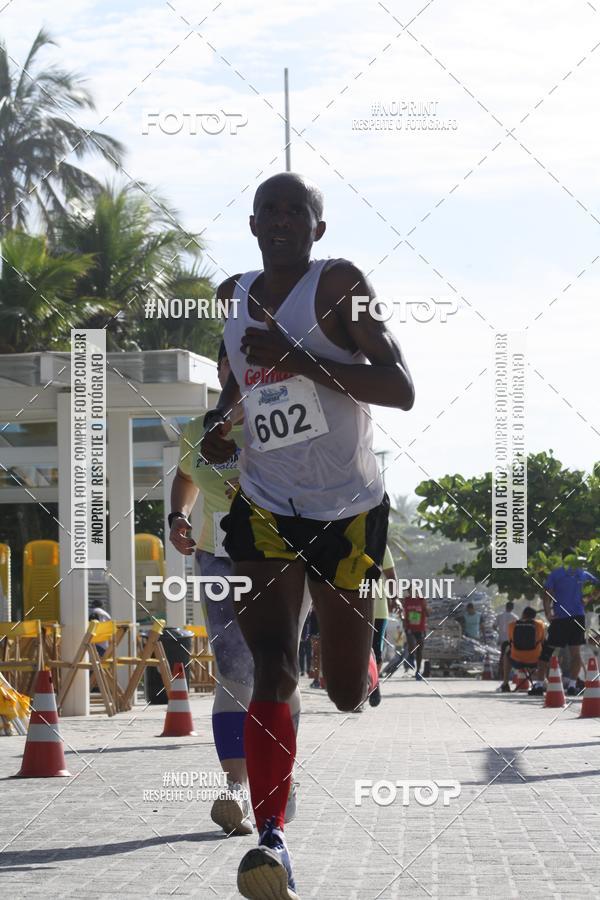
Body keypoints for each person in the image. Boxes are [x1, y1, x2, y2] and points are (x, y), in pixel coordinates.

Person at [200, 172, 414, 900]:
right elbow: (235, 393)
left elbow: (400, 386)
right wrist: (221, 432)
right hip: (264, 502)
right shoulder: (231, 296)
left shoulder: (340, 286)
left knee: (347, 692)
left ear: (317, 229)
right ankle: (272, 840)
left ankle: (362, 655)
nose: (283, 220)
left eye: (299, 211)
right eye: (271, 211)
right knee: (272, 665)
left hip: (348, 507)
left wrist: (299, 360)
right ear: (253, 224)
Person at [170, 341, 309, 836]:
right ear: (222, 371)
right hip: (218, 557)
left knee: (279, 670)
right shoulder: (197, 428)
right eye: (231, 363)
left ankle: (277, 785)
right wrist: (177, 516)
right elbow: (185, 477)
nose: (240, 372)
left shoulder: (286, 414)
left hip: (282, 558)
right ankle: (234, 790)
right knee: (233, 670)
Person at [540, 553, 599, 696]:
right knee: (575, 653)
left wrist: (548, 613)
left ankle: (538, 683)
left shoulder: (556, 573)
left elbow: (546, 594)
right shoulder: (582, 573)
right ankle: (572, 685)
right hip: (577, 617)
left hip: (560, 618)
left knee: (547, 651)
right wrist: (590, 598)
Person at [369, 546, 396, 706]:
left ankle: (374, 685)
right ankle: (360, 688)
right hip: (353, 605)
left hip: (379, 609)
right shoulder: (349, 537)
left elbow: (391, 575)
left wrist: (394, 598)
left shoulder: (381, 546)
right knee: (358, 649)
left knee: (376, 650)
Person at [498, 606, 547, 692]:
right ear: (534, 616)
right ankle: (543, 681)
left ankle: (505, 683)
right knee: (545, 652)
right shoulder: (540, 625)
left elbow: (510, 641)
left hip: (516, 659)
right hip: (535, 660)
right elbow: (542, 640)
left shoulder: (512, 625)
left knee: (507, 654)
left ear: (523, 614)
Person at [402, 590, 430, 680]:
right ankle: (410, 657)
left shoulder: (422, 600)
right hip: (409, 627)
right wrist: (403, 621)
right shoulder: (406, 600)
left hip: (420, 628)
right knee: (411, 644)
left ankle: (418, 671)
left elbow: (428, 614)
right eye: (410, 590)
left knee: (419, 650)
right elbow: (402, 612)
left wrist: (426, 609)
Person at [495, 601, 518, 679]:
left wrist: (499, 632)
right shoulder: (514, 617)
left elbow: (494, 626)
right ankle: (508, 673)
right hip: (510, 639)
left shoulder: (499, 616)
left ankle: (500, 673)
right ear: (512, 608)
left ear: (506, 607)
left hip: (502, 639)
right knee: (510, 656)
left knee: (502, 656)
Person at [298, 608, 312, 676]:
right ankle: (302, 670)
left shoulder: (310, 615)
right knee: (301, 655)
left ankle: (308, 669)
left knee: (308, 654)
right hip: (301, 638)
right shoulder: (301, 615)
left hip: (308, 637)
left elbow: (311, 626)